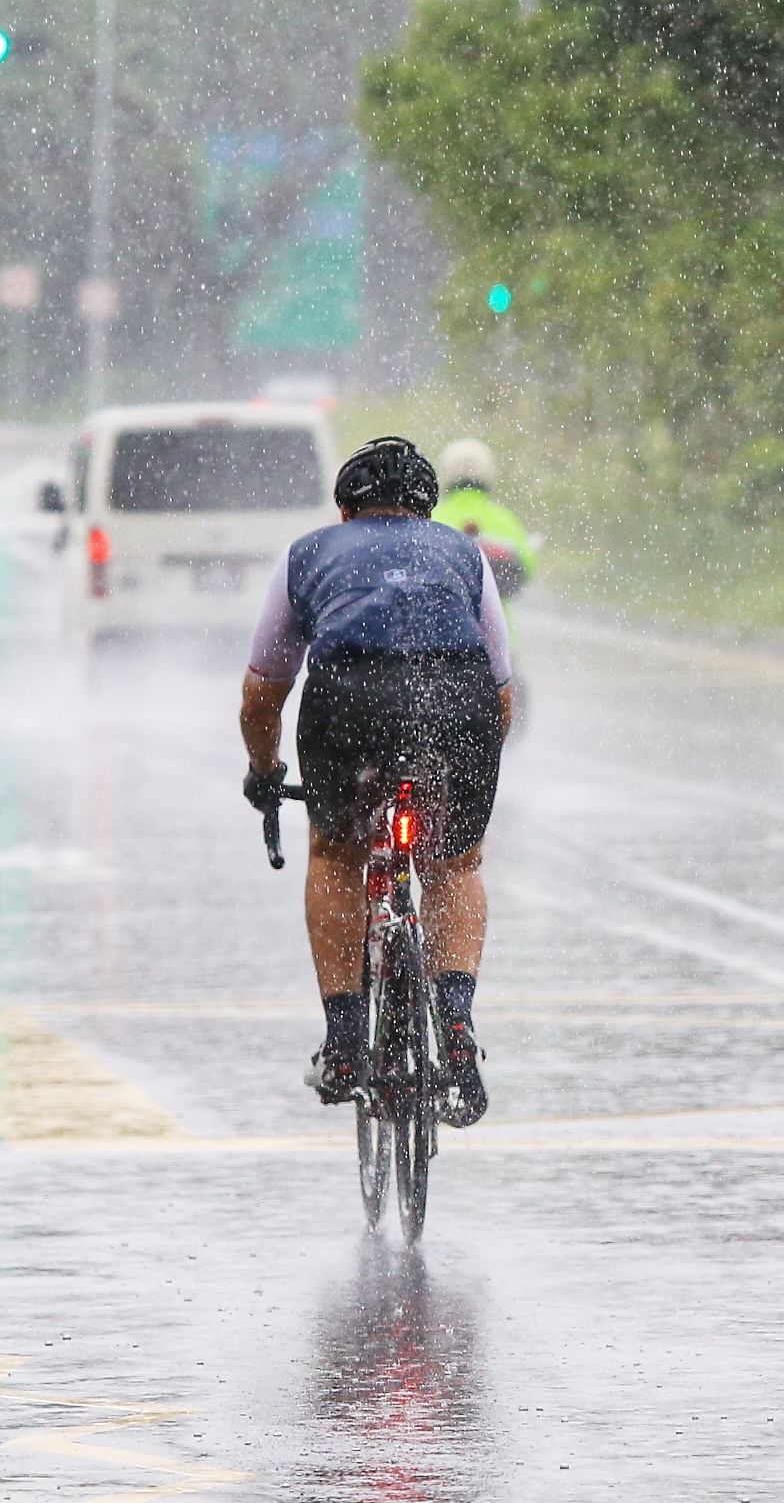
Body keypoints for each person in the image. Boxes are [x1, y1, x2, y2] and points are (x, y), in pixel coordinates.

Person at [238, 436, 512, 1127]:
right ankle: (455, 1026)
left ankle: (343, 1043)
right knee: (453, 866)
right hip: (458, 699)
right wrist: (467, 774)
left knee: (336, 852)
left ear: (342, 510)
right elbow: (502, 693)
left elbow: (262, 696)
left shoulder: (307, 555)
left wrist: (266, 772)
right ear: (428, 508)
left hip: (349, 698)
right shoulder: (461, 552)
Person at [432, 439, 539, 600]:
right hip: (497, 622)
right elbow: (527, 567)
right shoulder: (505, 519)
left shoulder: (432, 516)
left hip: (443, 619)